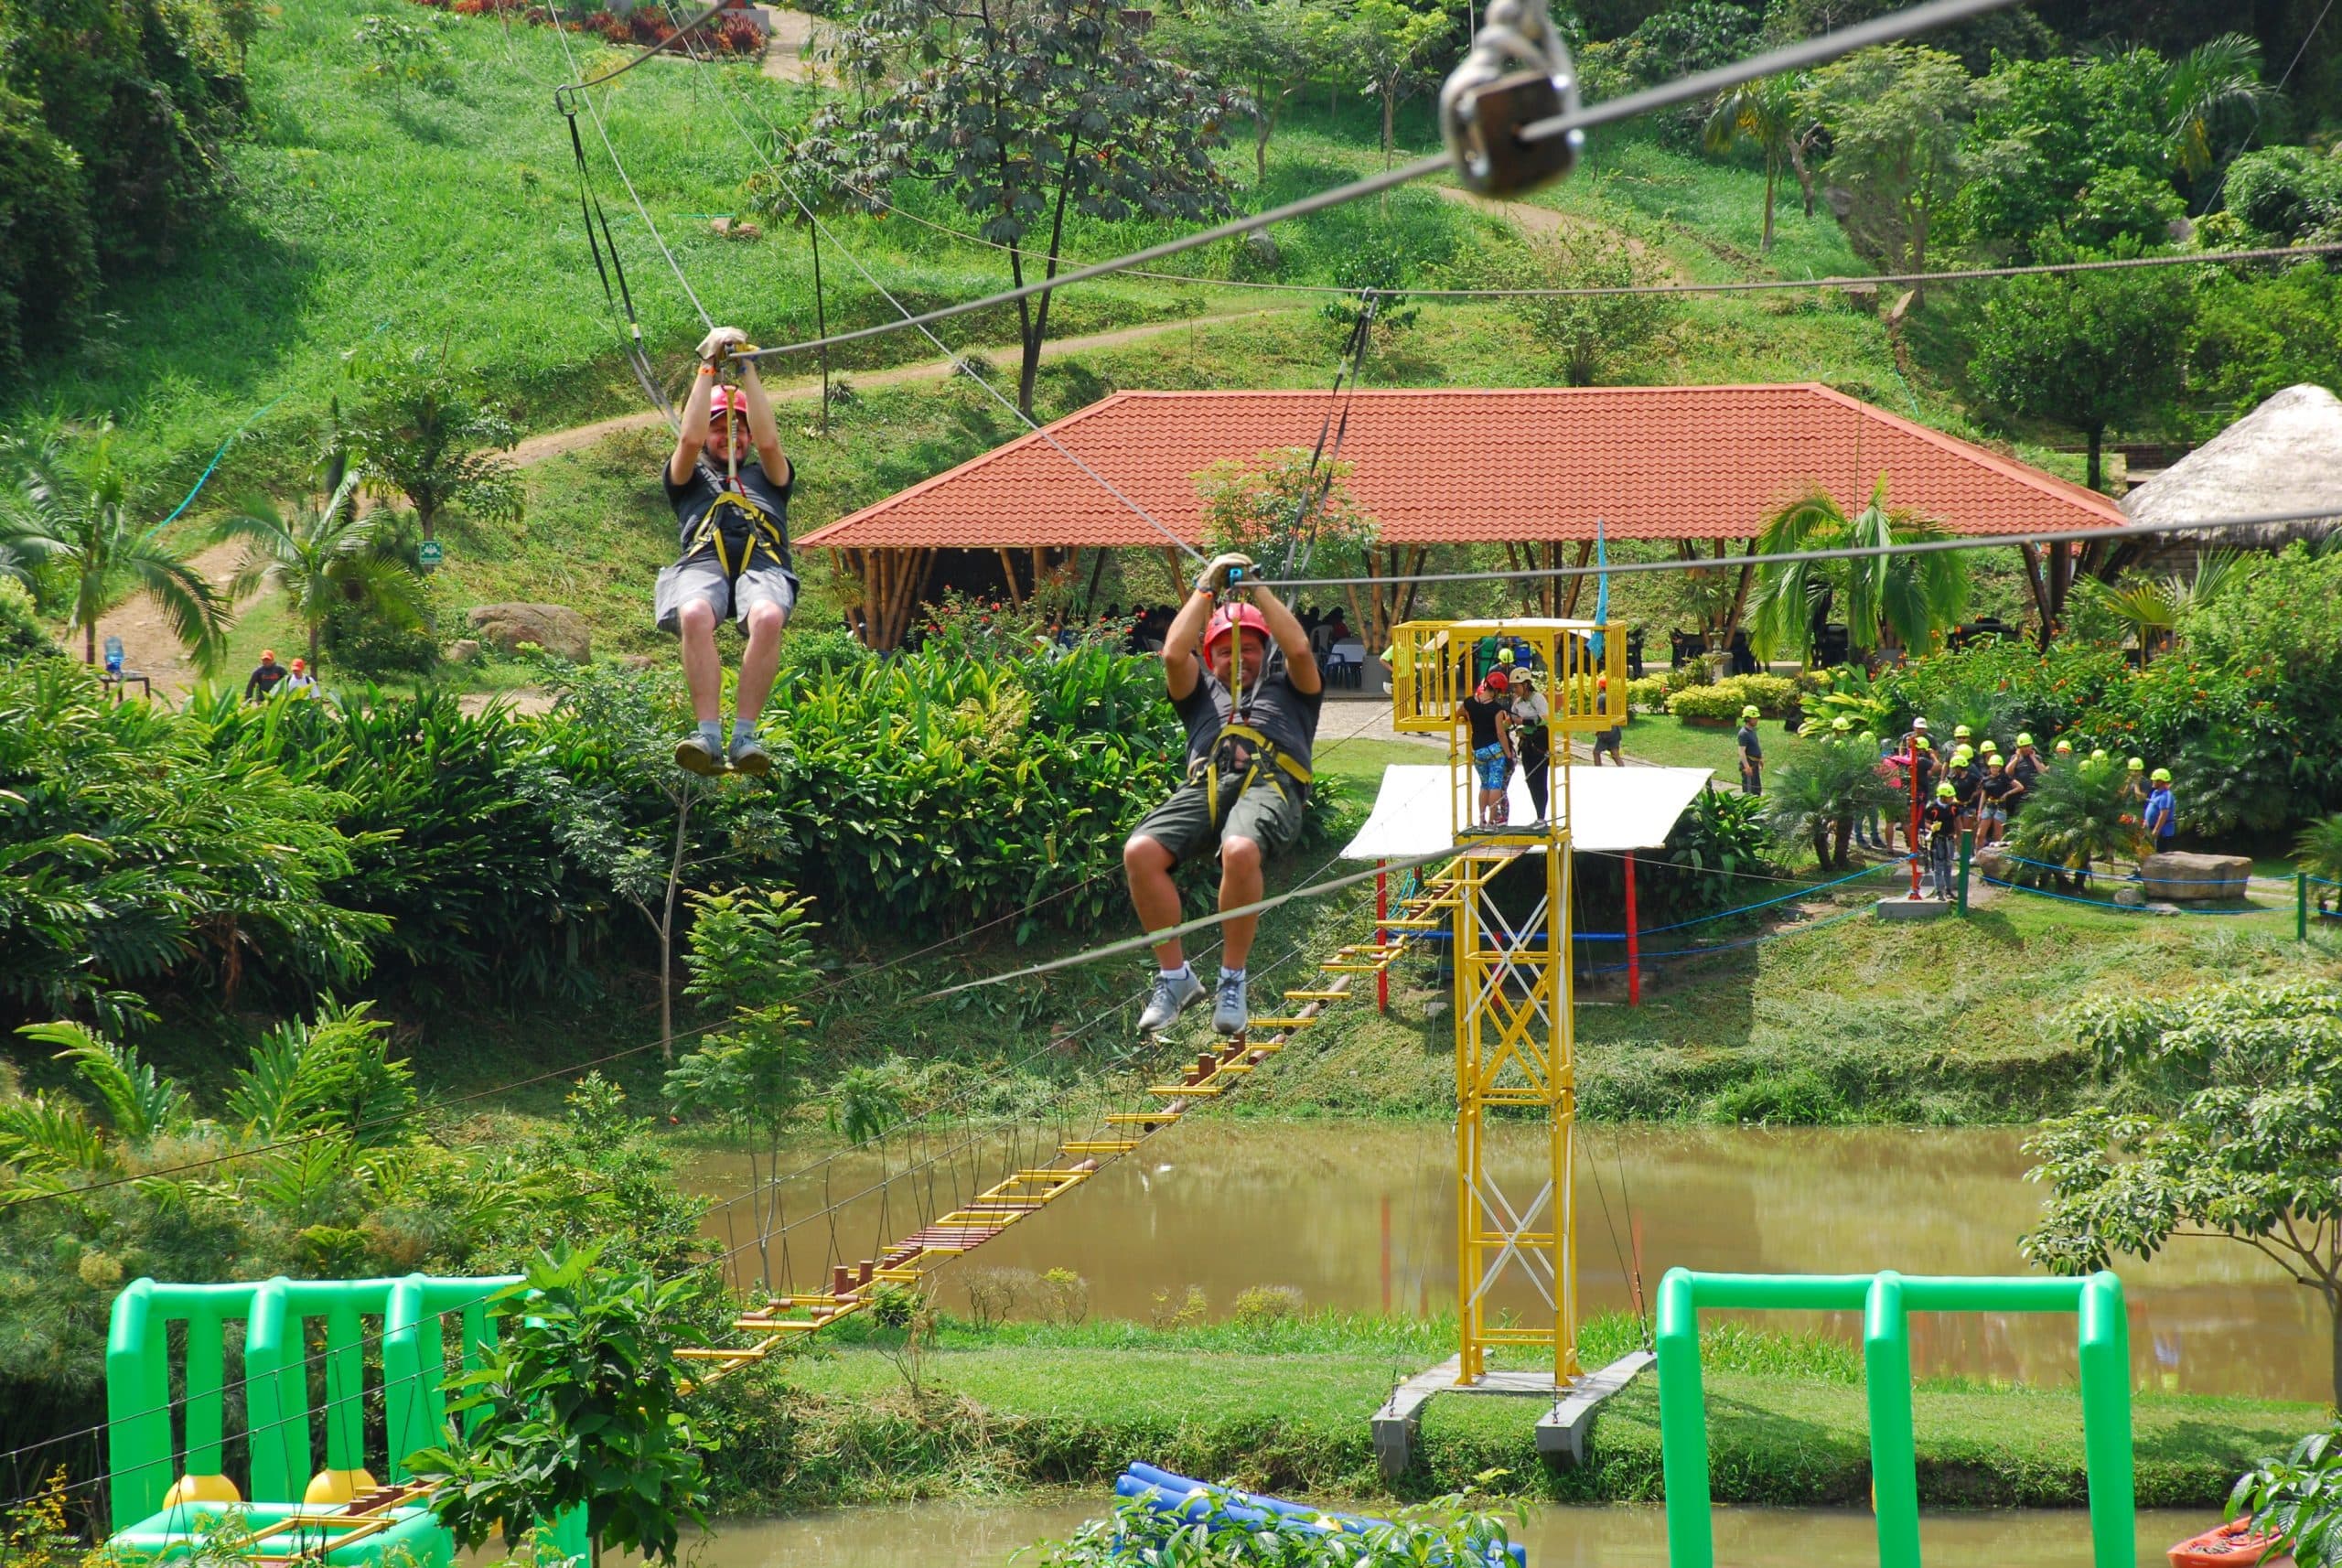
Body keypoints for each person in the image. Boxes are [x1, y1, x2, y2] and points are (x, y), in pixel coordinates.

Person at [1124, 554, 1324, 1038]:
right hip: (1209, 786)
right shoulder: (1200, 695)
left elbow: (1298, 650)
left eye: (1250, 648)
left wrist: (1256, 589)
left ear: (1264, 652)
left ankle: (1233, 979)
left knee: (1239, 850)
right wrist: (1205, 588)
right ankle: (1175, 979)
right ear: (1211, 659)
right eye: (1227, 651)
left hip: (1270, 786)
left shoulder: (1291, 690)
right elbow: (1173, 655)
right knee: (1140, 852)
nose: (1240, 658)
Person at [658, 326, 795, 777]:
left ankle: (744, 736)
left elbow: (770, 441)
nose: (729, 438)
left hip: (763, 560)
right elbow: (689, 440)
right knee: (694, 614)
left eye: (738, 431)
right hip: (704, 558)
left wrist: (748, 369)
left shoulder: (769, 475)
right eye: (721, 429)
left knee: (770, 617)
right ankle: (708, 736)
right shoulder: (687, 478)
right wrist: (707, 367)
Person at [1462, 671, 1515, 826]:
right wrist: (1508, 755)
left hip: (1478, 750)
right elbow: (1500, 733)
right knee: (1495, 784)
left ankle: (1481, 819)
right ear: (1498, 690)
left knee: (1484, 784)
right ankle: (1492, 820)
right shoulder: (1496, 709)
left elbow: (1459, 713)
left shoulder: (1469, 703)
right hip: (1495, 750)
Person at [1921, 781, 1962, 898]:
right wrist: (1932, 827)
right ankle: (1939, 891)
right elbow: (1925, 822)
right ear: (1943, 796)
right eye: (1950, 796)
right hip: (1938, 840)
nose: (1952, 799)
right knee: (1938, 866)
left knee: (1949, 864)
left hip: (1949, 839)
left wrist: (1959, 837)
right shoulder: (1932, 807)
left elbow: (1957, 821)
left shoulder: (1954, 807)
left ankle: (1949, 890)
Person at [1976, 755, 2023, 846]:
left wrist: (2007, 794)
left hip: (2000, 806)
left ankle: (1995, 857)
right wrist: (1979, 810)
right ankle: (1977, 854)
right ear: (1990, 767)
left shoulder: (2004, 778)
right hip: (1989, 805)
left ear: (2000, 768)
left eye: (1996, 767)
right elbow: (1983, 795)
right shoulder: (1986, 779)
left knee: (1997, 835)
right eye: (1993, 767)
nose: (1994, 769)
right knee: (1980, 834)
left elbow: (2020, 787)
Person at [1588, 674, 1623, 768]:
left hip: (1605, 729)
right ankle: (1623, 770)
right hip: (1615, 728)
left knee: (1596, 752)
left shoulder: (1601, 698)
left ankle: (1599, 771)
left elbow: (1600, 714)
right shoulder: (1613, 696)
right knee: (1615, 754)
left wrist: (1597, 729)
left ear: (1600, 686)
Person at [2143, 767, 2177, 853]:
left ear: (2160, 781)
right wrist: (2146, 821)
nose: (2153, 782)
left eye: (2155, 780)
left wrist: (2157, 830)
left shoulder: (2166, 795)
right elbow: (2152, 807)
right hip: (2152, 828)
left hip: (2163, 831)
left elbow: (2164, 814)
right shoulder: (2155, 793)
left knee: (2161, 855)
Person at [1735, 704, 1764, 795]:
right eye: (1754, 718)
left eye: (1756, 718)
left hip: (1755, 764)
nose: (1756, 720)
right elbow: (1741, 751)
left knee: (1757, 790)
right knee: (1749, 792)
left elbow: (1755, 745)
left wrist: (1760, 759)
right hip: (1749, 765)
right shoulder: (1743, 733)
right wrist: (1747, 767)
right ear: (1747, 719)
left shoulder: (1752, 731)